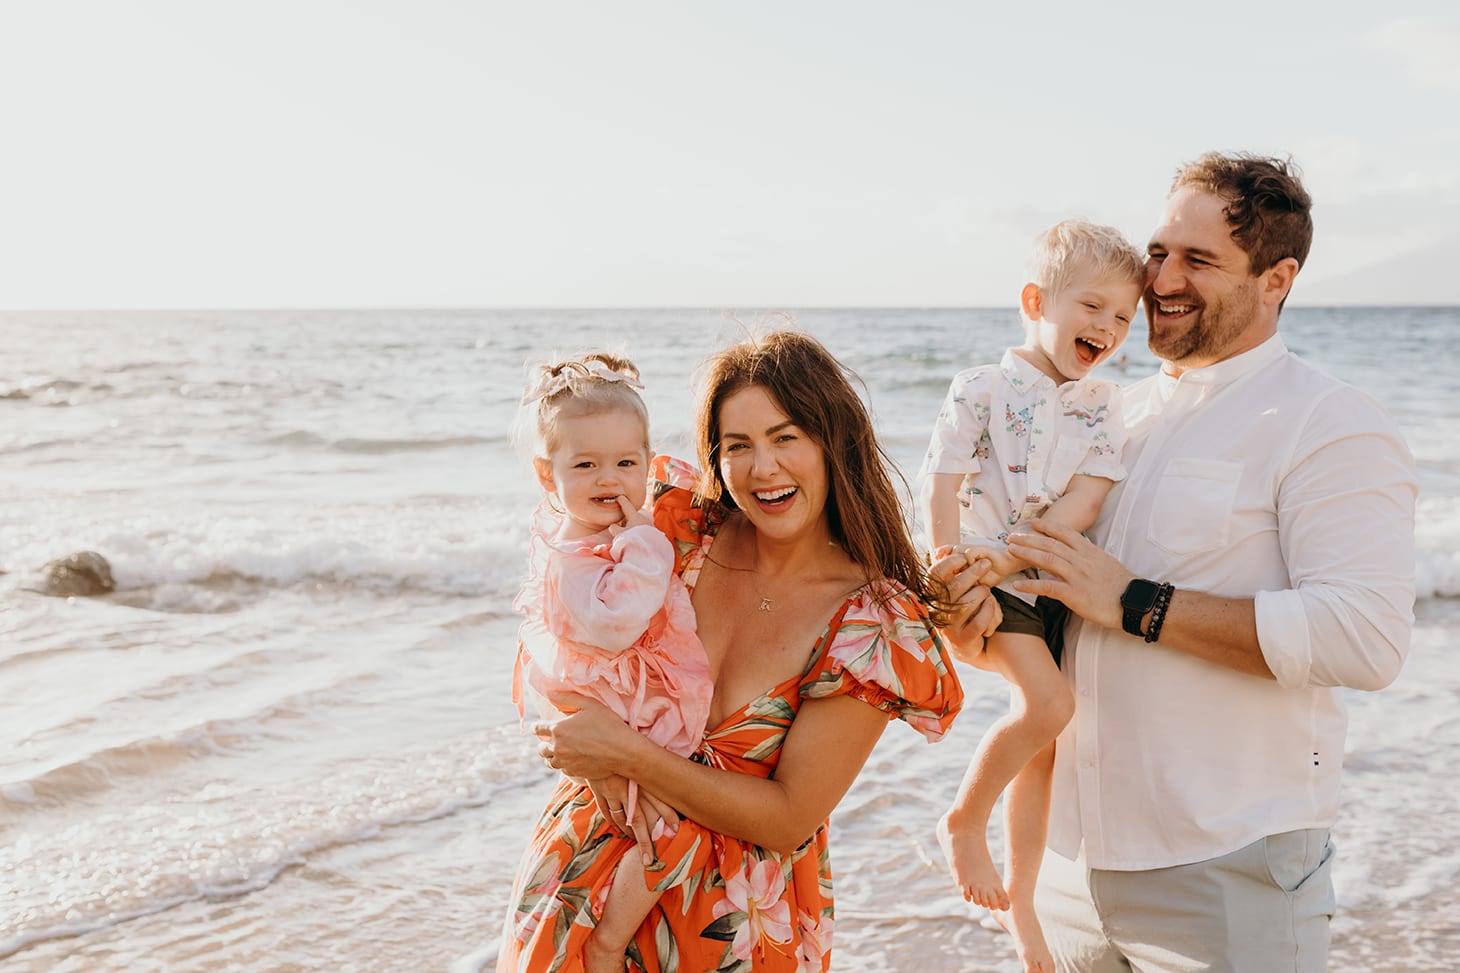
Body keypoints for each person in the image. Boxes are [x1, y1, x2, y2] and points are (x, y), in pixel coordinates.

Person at [993, 153, 1418, 971]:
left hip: (1228, 869)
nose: (1161, 280)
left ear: (1276, 278)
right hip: (1070, 865)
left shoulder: (1330, 422)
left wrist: (1136, 602)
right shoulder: (1106, 414)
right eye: (1159, 252)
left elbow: (1364, 639)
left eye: (1198, 260)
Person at [498, 329, 994, 973]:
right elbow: (556, 624)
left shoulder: (871, 624)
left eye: (786, 437)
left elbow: (789, 817)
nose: (763, 468)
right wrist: (587, 749)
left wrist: (626, 752)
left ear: (833, 441)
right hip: (581, 878)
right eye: (738, 445)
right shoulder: (676, 528)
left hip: (731, 929)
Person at [920, 220, 1144, 973]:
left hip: (1049, 585)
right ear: (1035, 300)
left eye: (1122, 317)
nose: (1107, 328)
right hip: (990, 586)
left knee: (1043, 752)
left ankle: (1023, 913)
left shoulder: (1102, 404)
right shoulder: (981, 387)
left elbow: (1087, 496)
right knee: (1049, 708)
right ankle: (962, 817)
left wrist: (1018, 548)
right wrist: (949, 561)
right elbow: (943, 476)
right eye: (1092, 307)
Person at [511, 352, 715, 973]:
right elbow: (616, 619)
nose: (610, 479)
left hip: (633, 704)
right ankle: (607, 941)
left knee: (662, 823)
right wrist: (648, 542)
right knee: (670, 826)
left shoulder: (597, 535)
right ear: (550, 478)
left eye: (626, 462)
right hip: (627, 712)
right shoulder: (574, 558)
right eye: (586, 464)